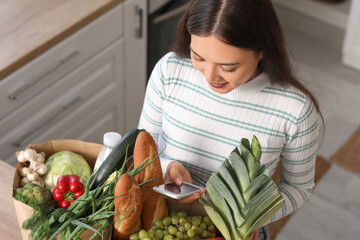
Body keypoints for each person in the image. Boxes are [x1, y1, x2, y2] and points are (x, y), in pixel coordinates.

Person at [138, 0, 323, 239]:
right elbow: (142, 150)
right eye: (198, 57)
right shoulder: (169, 71)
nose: (210, 76)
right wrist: (166, 167)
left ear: (262, 50)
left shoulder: (295, 110)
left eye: (229, 67)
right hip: (163, 223)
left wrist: (250, 218)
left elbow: (298, 188)